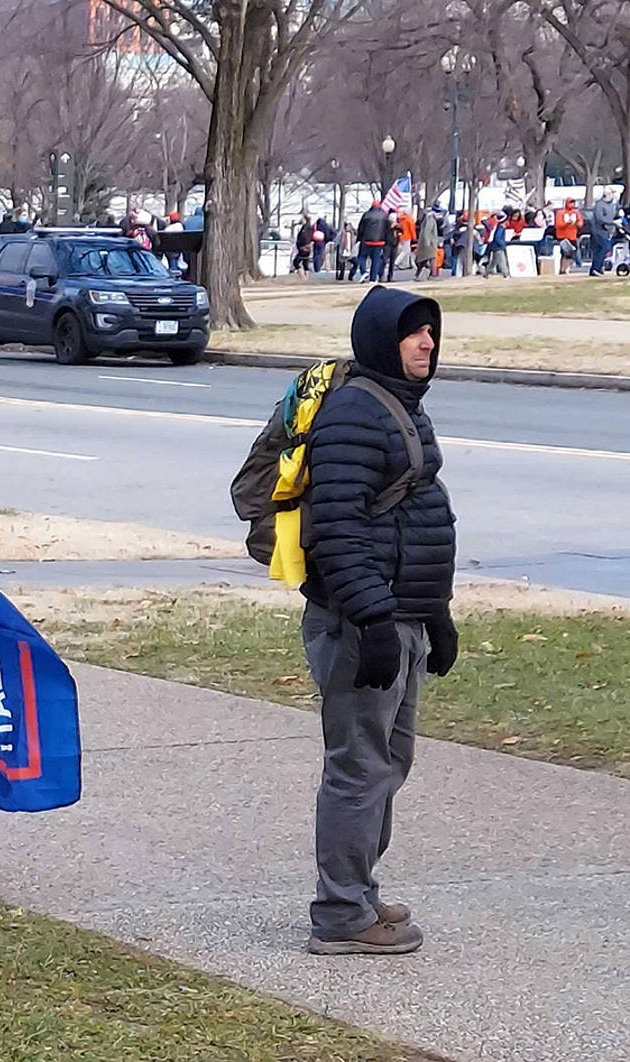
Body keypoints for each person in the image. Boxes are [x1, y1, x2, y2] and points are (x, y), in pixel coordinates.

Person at [301, 285, 456, 956]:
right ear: (379, 340)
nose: (426, 342)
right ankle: (339, 913)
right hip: (363, 625)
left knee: (388, 761)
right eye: (411, 332)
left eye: (431, 331)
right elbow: (337, 529)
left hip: (401, 617)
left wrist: (435, 614)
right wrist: (373, 620)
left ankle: (358, 892)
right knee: (359, 765)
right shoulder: (355, 414)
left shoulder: (401, 406)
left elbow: (407, 521)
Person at [356, 201, 388, 282]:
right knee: (376, 260)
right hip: (380, 242)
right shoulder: (384, 216)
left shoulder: (366, 215)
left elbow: (361, 228)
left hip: (366, 241)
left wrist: (358, 239)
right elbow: (387, 230)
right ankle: (373, 279)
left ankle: (364, 272)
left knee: (361, 257)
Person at [589, 194, 617, 276]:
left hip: (606, 231)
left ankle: (595, 268)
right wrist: (612, 222)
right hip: (598, 230)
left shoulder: (612, 205)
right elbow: (600, 218)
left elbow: (613, 215)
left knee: (598, 249)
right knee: (605, 247)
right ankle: (597, 267)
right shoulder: (600, 205)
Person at [555, 198, 582, 270]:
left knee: (572, 253)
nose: (572, 204)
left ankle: (567, 268)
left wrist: (577, 223)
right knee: (564, 253)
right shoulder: (560, 213)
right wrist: (567, 223)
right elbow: (558, 224)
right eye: (570, 203)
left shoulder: (576, 212)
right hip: (562, 237)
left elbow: (580, 223)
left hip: (572, 236)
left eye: (573, 203)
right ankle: (562, 268)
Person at [415, 209, 440, 280]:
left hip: (426, 243)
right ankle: (433, 275)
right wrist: (427, 242)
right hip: (430, 243)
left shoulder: (427, 218)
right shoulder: (430, 219)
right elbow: (427, 231)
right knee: (432, 258)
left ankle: (417, 275)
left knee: (423, 260)